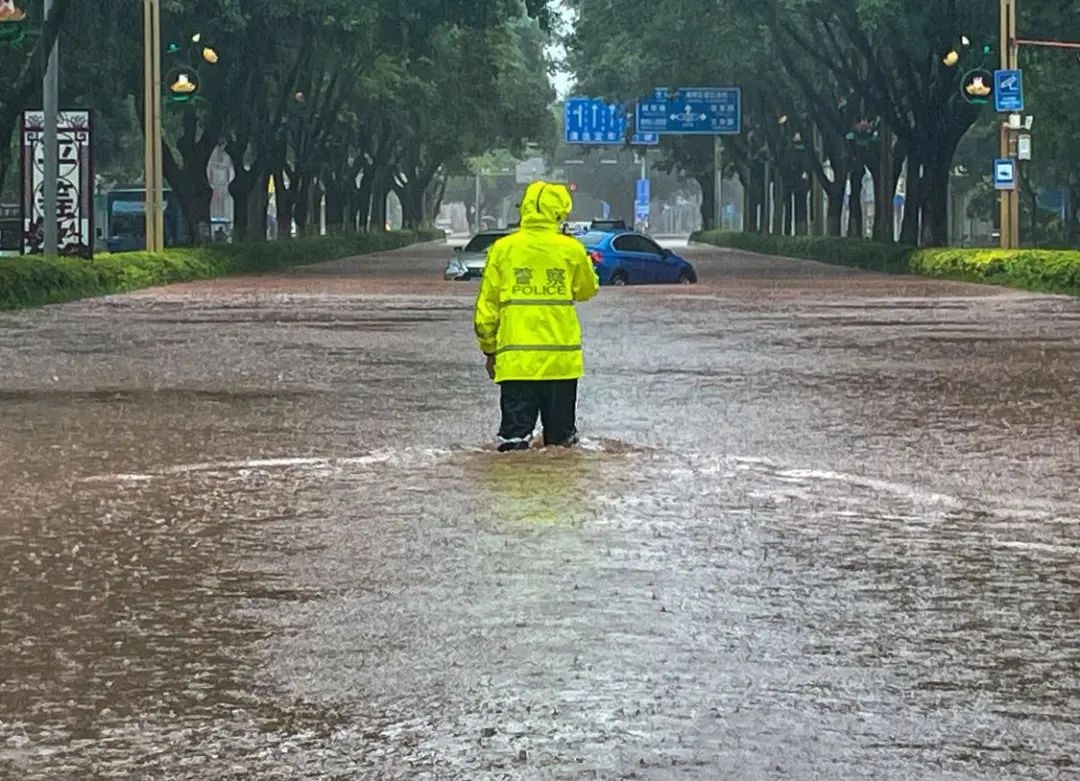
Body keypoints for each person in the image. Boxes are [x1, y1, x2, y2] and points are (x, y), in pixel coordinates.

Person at [474, 181, 599, 452]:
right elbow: (587, 290)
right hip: (561, 365)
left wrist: (489, 351)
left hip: (515, 364)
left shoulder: (502, 249)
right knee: (561, 446)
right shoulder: (571, 250)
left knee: (513, 444)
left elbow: (487, 309)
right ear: (560, 214)